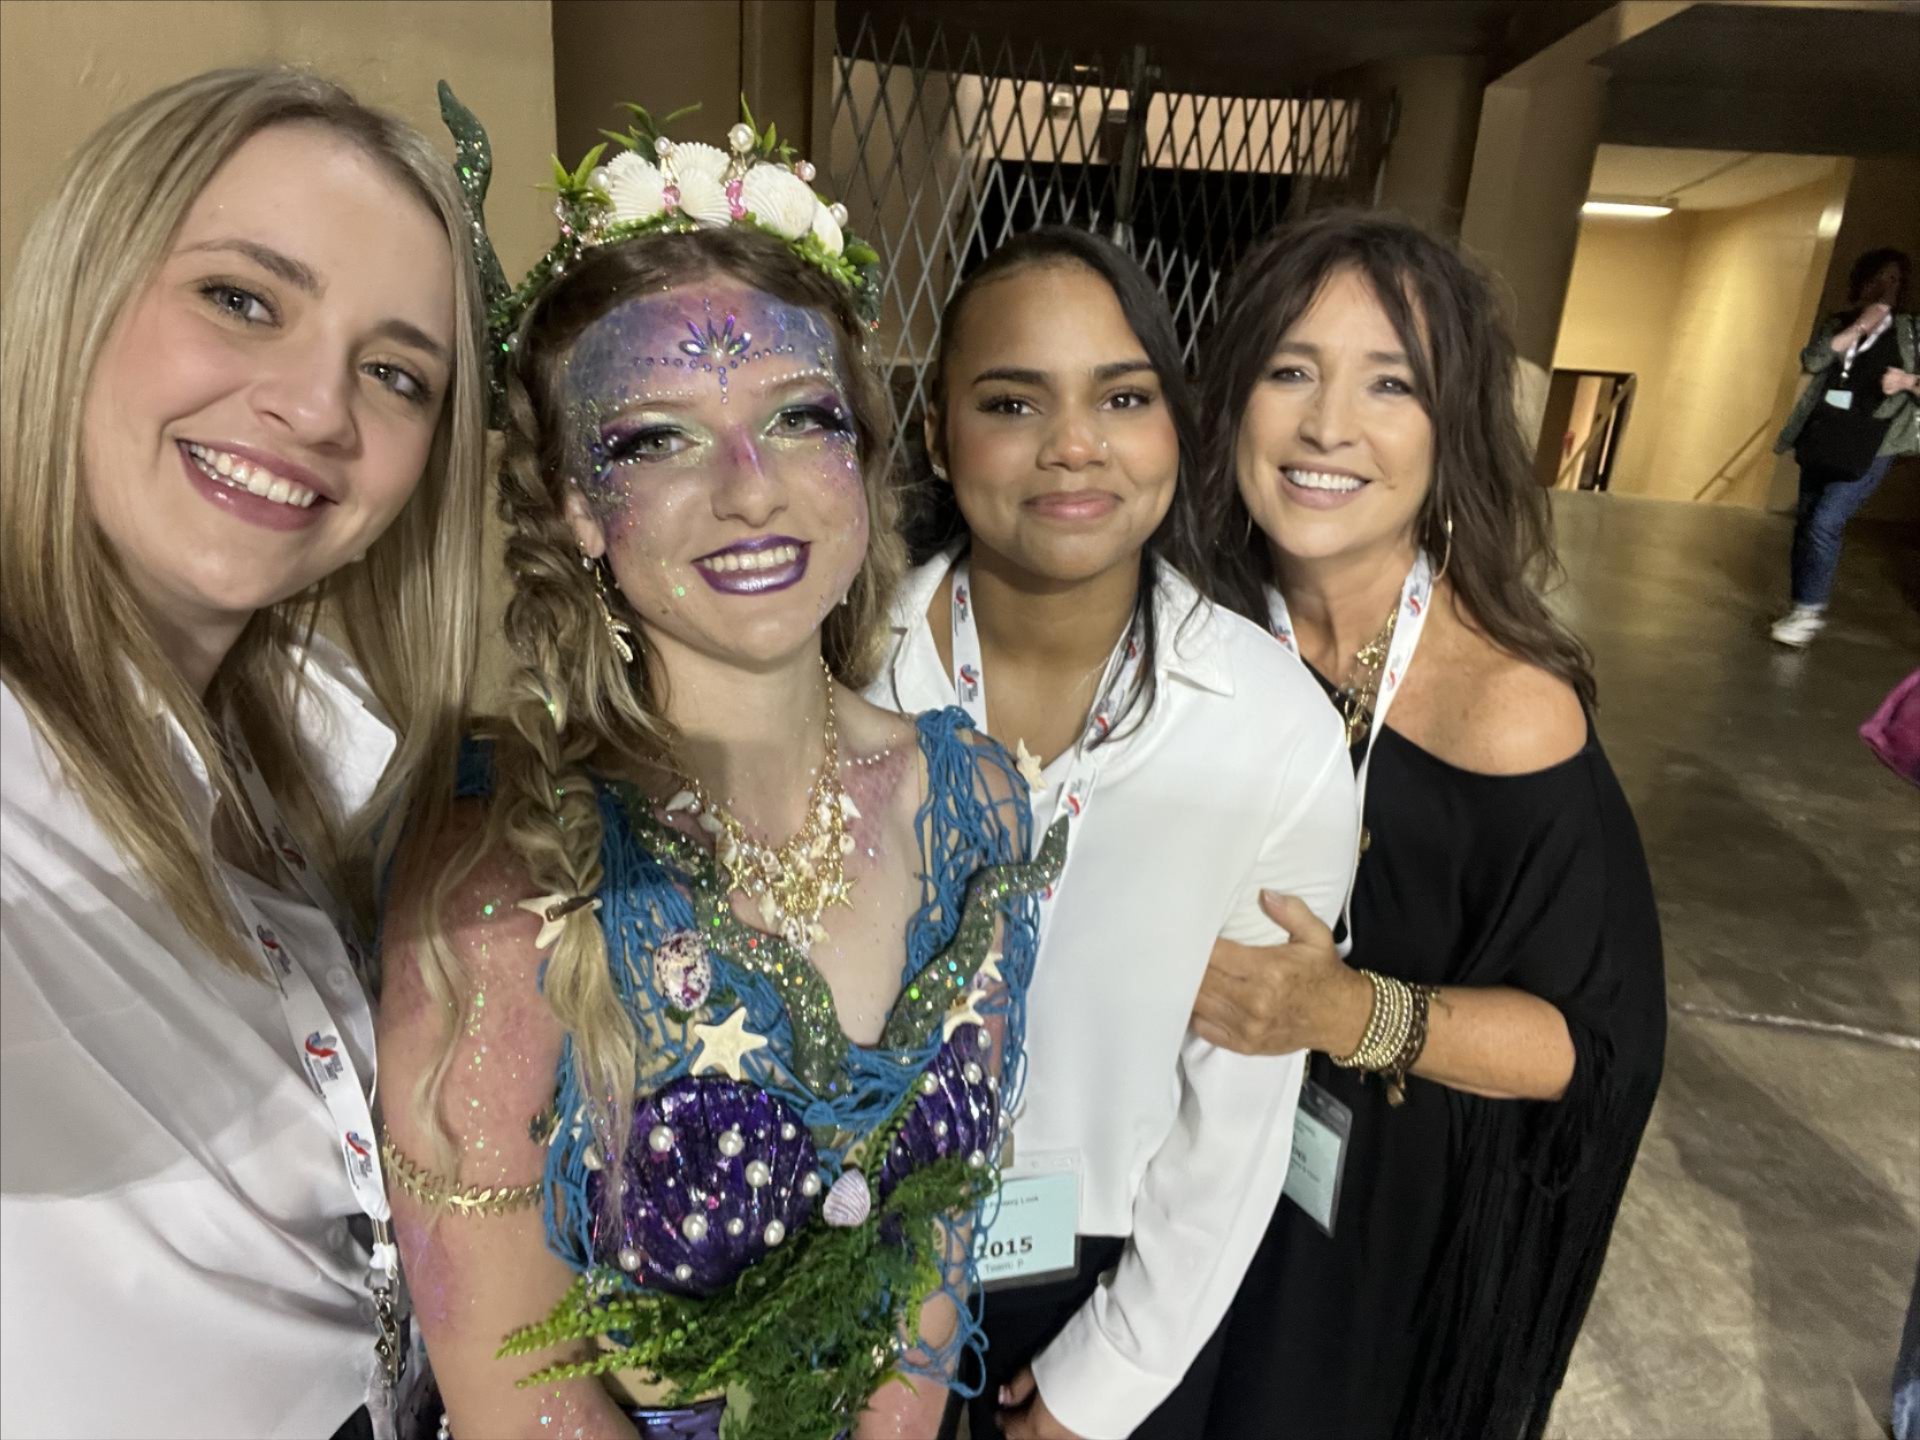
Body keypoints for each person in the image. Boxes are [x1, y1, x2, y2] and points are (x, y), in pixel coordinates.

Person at [376, 99, 1057, 1440]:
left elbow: (941, 1232)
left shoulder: (976, 802)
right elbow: (508, 1376)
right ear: (574, 503)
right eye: (656, 437)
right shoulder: (500, 876)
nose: (750, 487)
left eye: (800, 417)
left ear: (865, 454)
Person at [0, 68, 487, 1440]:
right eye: (243, 299)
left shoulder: (302, 751)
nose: (320, 408)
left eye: (396, 374)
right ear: (86, 285)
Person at [870, 226, 1356, 1440]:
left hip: (1102, 1284)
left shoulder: (1271, 730)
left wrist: (1114, 1378)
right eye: (1012, 400)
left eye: (1122, 396)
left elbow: (1237, 1120)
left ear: (1175, 427)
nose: (1073, 444)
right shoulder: (841, 667)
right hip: (838, 1254)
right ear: (938, 431)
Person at [1191, 211, 1666, 1440]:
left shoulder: (1506, 710)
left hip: (1352, 1241)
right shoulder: (1187, 630)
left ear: (1448, 432)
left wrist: (1349, 1011)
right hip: (1171, 1184)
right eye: (1290, 369)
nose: (1327, 424)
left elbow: (1590, 1046)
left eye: (1388, 383)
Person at [1770, 247, 1919, 648]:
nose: (1887, 287)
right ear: (1863, 281)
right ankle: (1801, 605)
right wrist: (1858, 329)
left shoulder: (1912, 332)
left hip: (1873, 443)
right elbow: (1814, 360)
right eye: (1880, 278)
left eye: (1895, 280)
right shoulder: (1840, 321)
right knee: (1807, 522)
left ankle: (1809, 612)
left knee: (1825, 521)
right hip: (1825, 435)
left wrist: (1906, 383)